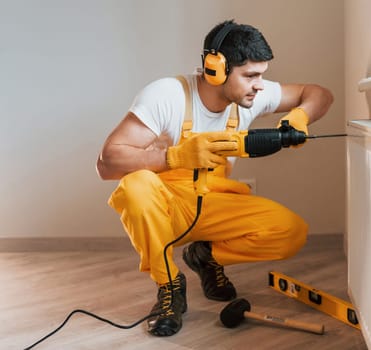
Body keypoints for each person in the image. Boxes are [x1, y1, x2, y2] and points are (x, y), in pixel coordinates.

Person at [96, 19, 333, 337]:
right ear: (215, 69)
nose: (260, 85)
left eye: (261, 75)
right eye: (250, 75)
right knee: (134, 186)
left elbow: (318, 93)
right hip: (166, 209)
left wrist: (300, 115)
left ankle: (205, 257)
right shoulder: (168, 95)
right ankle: (169, 287)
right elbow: (107, 163)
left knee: (290, 231)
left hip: (214, 202)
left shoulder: (250, 98)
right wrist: (174, 157)